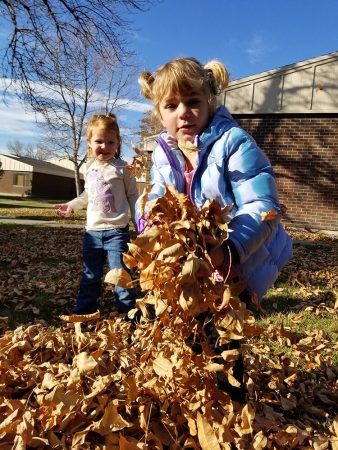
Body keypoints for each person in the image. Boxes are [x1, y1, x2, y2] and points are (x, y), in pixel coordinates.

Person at [136, 57, 293, 400]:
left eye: (193, 102)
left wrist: (229, 249)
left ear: (210, 102)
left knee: (225, 340)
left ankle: (231, 403)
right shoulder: (164, 153)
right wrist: (150, 225)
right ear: (159, 113)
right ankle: (198, 394)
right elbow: (154, 196)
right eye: (172, 105)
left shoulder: (233, 142)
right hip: (193, 267)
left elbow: (262, 207)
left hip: (238, 261)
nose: (184, 112)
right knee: (193, 333)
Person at [54, 113, 139, 317]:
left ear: (118, 143)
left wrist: (140, 222)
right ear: (89, 142)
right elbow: (87, 195)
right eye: (99, 141)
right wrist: (72, 206)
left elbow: (134, 197)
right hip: (92, 234)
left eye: (111, 142)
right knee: (90, 274)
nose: (105, 146)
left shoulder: (123, 169)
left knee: (120, 274)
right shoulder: (89, 168)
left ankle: (130, 314)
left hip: (117, 233)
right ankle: (85, 311)